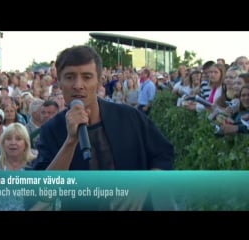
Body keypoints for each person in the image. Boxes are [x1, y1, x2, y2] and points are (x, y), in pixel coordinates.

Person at [34, 45, 175, 210]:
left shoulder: (129, 117)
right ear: (60, 82)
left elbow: (164, 154)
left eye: (87, 77)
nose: (78, 85)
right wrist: (70, 142)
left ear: (99, 81)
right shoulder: (52, 130)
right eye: (70, 77)